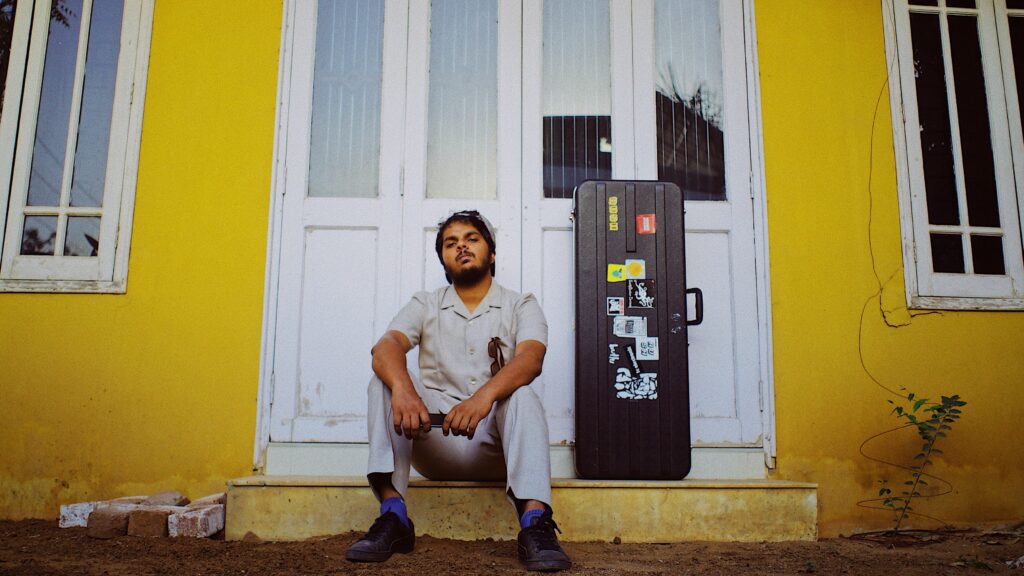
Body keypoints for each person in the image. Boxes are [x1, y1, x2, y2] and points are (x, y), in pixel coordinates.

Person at [345, 210, 572, 572]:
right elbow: (387, 346)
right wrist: (403, 389)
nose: (462, 247)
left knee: (523, 395)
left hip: (496, 449)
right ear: (444, 260)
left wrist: (483, 398)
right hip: (437, 444)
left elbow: (531, 359)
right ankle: (393, 516)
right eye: (451, 243)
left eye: (472, 239)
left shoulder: (521, 304)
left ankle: (535, 524)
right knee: (384, 380)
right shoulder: (426, 303)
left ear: (491, 253)